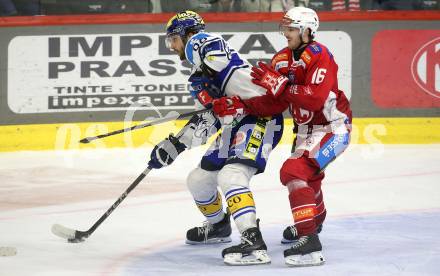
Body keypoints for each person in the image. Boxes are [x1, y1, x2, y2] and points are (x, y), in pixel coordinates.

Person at [212, 7, 352, 267]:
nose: (285, 33)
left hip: (333, 127)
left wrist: (279, 85)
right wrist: (240, 105)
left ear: (307, 30)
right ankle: (314, 220)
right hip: (304, 132)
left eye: (290, 29)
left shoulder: (320, 55)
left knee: (294, 171)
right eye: (285, 28)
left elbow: (315, 98)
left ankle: (310, 242)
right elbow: (273, 104)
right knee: (309, 178)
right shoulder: (280, 60)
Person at [149, 10, 284, 265]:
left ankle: (253, 241)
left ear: (186, 34)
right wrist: (175, 145)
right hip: (237, 124)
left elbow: (211, 47)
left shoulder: (204, 43)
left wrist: (227, 100)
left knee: (231, 175)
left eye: (173, 39)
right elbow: (211, 119)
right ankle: (219, 226)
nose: (172, 47)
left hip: (262, 119)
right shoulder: (198, 77)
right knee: (198, 179)